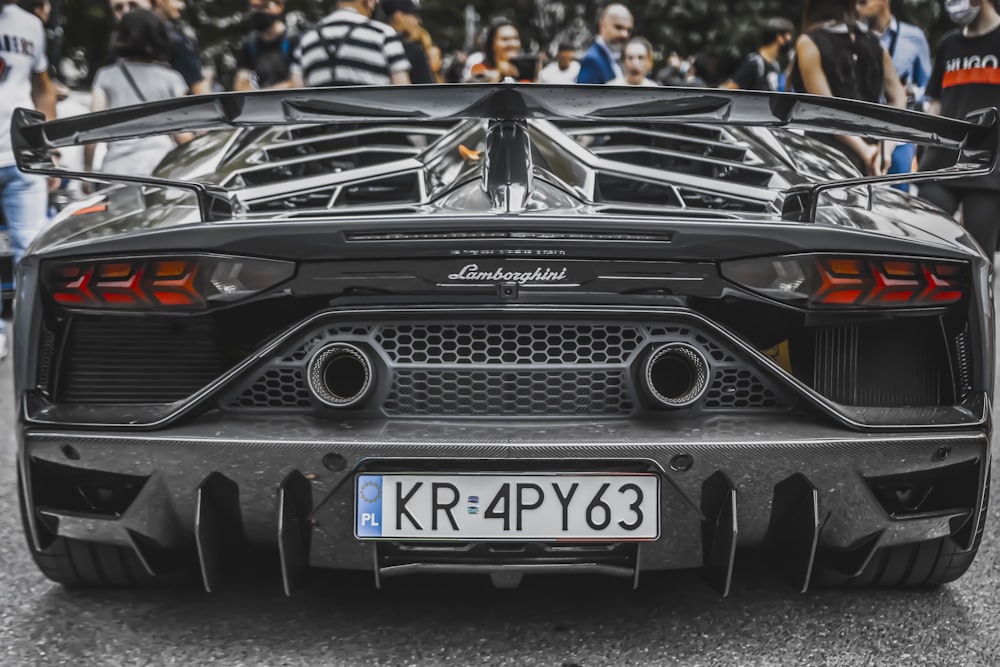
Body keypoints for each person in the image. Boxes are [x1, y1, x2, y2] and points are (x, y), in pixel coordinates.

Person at [918, 0, 1000, 256]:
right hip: (940, 165)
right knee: (927, 248)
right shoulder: (948, 44)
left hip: (988, 169)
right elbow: (935, 103)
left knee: (979, 258)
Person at [0, 0, 56, 362]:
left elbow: (43, 89)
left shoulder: (30, 24)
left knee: (33, 249)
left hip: (19, 156)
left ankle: (28, 336)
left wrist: (47, 149)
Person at [790, 0, 906, 175]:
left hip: (824, 158)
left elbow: (826, 108)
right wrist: (883, 149)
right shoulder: (874, 42)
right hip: (871, 161)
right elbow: (899, 98)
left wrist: (867, 152)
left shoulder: (809, 42)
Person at [84, 9, 190, 177]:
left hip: (117, 170)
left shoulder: (105, 76)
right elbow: (183, 135)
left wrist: (87, 170)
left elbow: (92, 129)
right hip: (159, 168)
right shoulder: (172, 78)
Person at [856, 0, 932, 190]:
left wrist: (910, 92)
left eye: (863, 1)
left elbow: (929, 89)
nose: (858, 6)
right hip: (860, 136)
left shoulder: (915, 37)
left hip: (898, 137)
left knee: (898, 203)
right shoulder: (852, 36)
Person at [291, 0, 411, 87]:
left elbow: (297, 89)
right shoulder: (383, 34)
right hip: (374, 119)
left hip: (322, 120)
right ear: (368, 2)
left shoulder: (307, 39)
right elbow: (402, 89)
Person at [233, 0, 298, 91]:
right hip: (262, 103)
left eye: (264, 6)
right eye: (255, 7)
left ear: (279, 7)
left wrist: (260, 92)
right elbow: (241, 86)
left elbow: (298, 84)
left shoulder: (294, 41)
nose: (259, 11)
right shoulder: (250, 44)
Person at [721, 17, 795, 91]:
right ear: (779, 37)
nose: (790, 40)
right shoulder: (754, 63)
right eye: (788, 36)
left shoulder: (775, 65)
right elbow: (731, 88)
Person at [577, 3, 633, 84]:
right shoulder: (592, 60)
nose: (624, 35)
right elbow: (585, 96)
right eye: (618, 27)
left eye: (628, 30)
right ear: (603, 25)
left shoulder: (619, 58)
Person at [382, 0, 433, 84]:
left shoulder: (372, 42)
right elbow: (429, 94)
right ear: (399, 17)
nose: (419, 21)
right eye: (415, 16)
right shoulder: (414, 51)